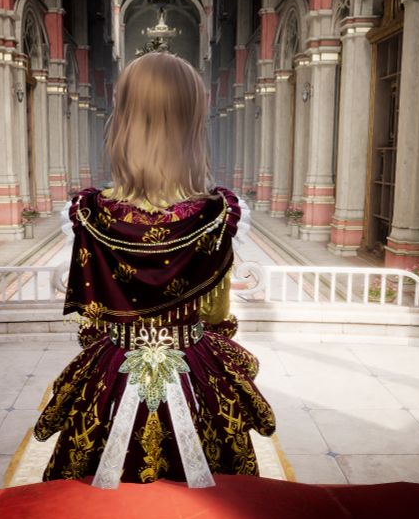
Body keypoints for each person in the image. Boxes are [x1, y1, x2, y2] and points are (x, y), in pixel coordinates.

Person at [33, 52, 275, 486]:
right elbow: (217, 315)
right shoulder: (220, 215)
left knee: (99, 484)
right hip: (194, 369)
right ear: (193, 126)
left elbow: (94, 310)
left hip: (113, 369)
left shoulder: (87, 213)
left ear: (124, 121)